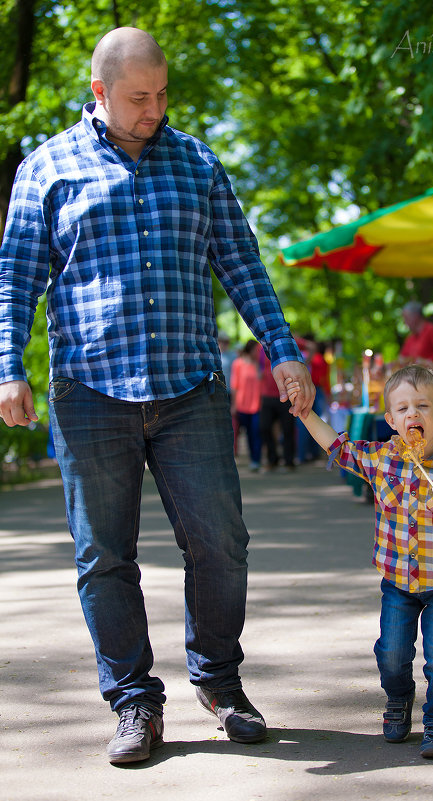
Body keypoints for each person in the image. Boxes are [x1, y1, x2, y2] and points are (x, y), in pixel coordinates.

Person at [0, 27, 315, 765]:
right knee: (103, 556)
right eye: (139, 97)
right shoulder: (47, 167)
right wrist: (7, 363)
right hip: (90, 391)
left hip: (189, 388)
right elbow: (15, 279)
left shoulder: (198, 162)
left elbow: (242, 264)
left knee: (221, 542)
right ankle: (134, 700)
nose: (155, 108)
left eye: (163, 92)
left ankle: (219, 680)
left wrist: (284, 349)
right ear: (100, 92)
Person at [286, 365, 433, 759]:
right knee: (392, 653)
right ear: (391, 420)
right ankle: (398, 699)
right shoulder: (382, 460)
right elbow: (338, 448)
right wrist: (305, 412)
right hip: (397, 582)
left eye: (423, 406)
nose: (413, 414)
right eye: (403, 408)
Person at [258, 348, 296, 472]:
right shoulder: (260, 348)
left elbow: (310, 347)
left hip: (285, 396)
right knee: (264, 427)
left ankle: (289, 461)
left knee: (288, 429)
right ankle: (272, 459)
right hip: (267, 396)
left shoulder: (284, 342)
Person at [230, 339, 262, 471]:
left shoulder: (260, 365)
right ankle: (248, 458)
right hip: (242, 405)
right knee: (246, 434)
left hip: (257, 405)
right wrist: (234, 405)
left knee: (256, 433)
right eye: (257, 350)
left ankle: (256, 459)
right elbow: (234, 386)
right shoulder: (238, 364)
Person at [400, 301, 433, 372]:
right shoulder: (410, 338)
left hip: (432, 377)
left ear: (415, 316)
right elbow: (402, 359)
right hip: (417, 379)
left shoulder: (432, 330)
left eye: (406, 318)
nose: (404, 322)